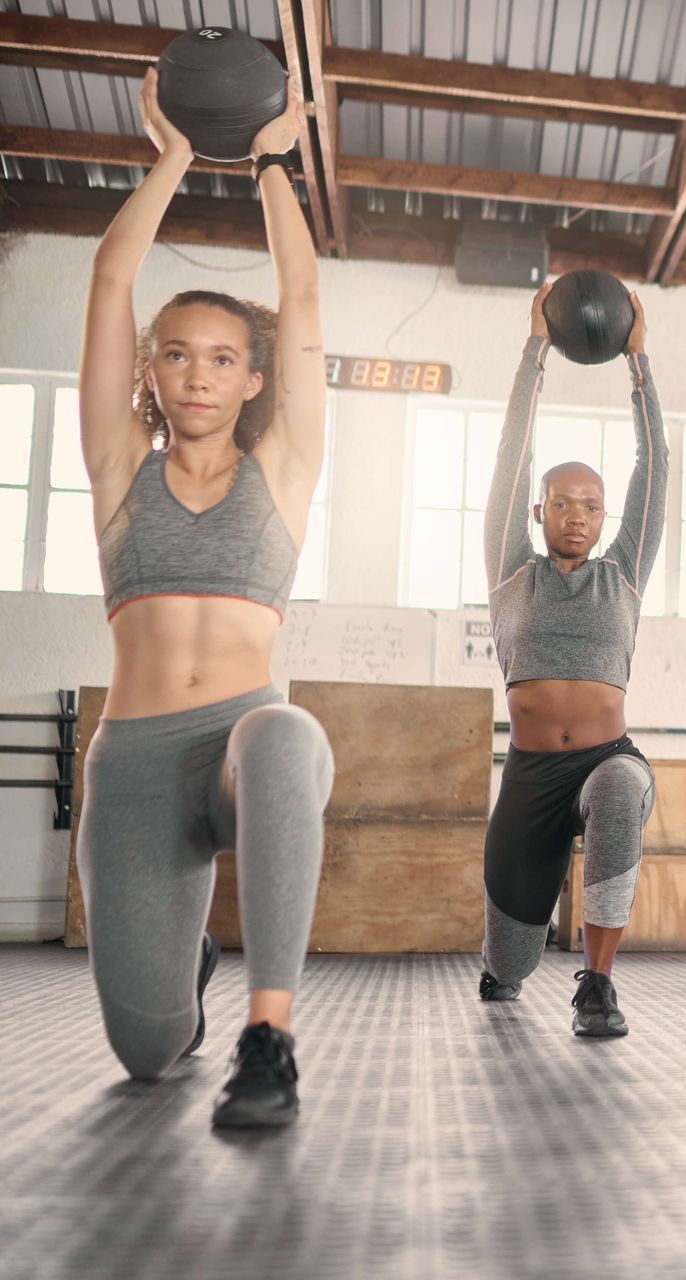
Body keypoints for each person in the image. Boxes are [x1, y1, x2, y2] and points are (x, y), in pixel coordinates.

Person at [74, 71, 334, 1129]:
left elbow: (306, 298)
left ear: (252, 379)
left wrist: (269, 158)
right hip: (133, 760)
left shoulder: (283, 468)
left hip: (237, 743)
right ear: (152, 370)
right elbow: (106, 281)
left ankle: (267, 1036)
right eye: (175, 354)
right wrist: (174, 154)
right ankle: (190, 972)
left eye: (222, 359)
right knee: (145, 1052)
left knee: (283, 733)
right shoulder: (113, 467)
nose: (195, 374)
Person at [476, 280, 667, 1037]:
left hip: (604, 760)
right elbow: (511, 454)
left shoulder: (623, 571)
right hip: (529, 775)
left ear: (605, 515)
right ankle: (506, 958)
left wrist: (641, 366)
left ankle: (598, 984)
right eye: (563, 503)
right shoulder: (510, 571)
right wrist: (533, 353)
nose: (578, 515)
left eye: (591, 504)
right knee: (508, 970)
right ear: (538, 512)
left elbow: (655, 464)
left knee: (622, 791)